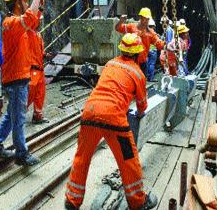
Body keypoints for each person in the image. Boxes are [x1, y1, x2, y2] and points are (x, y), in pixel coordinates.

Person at [65, 33, 158, 210]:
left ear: (121, 50)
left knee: (81, 158)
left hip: (90, 112)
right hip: (114, 118)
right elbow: (141, 106)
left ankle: (71, 201)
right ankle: (138, 201)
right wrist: (136, 110)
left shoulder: (110, 63)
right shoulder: (138, 73)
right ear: (138, 54)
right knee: (128, 160)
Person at [0, 0, 44, 166]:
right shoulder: (10, 23)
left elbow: (33, 20)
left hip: (19, 75)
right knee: (19, 118)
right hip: (16, 78)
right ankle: (21, 154)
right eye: (25, 0)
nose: (27, 3)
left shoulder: (18, 24)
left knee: (12, 115)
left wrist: (38, 5)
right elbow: (29, 19)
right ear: (18, 3)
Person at [115, 8, 165, 76]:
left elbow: (160, 45)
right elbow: (118, 28)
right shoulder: (132, 27)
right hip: (129, 60)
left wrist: (168, 45)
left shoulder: (151, 33)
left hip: (142, 63)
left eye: (146, 19)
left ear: (148, 19)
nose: (144, 20)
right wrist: (120, 21)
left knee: (141, 81)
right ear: (140, 18)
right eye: (143, 18)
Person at [27, 14, 49, 124]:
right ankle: (17, 115)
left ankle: (37, 116)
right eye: (39, 20)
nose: (40, 22)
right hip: (32, 69)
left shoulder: (38, 35)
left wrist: (45, 55)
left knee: (40, 94)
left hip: (39, 69)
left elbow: (39, 51)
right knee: (30, 94)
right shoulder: (29, 33)